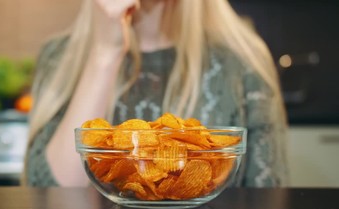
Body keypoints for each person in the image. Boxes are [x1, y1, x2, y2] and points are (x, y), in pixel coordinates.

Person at [24, 0, 289, 188]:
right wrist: (105, 54)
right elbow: (47, 194)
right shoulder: (59, 57)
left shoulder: (243, 60)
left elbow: (268, 203)